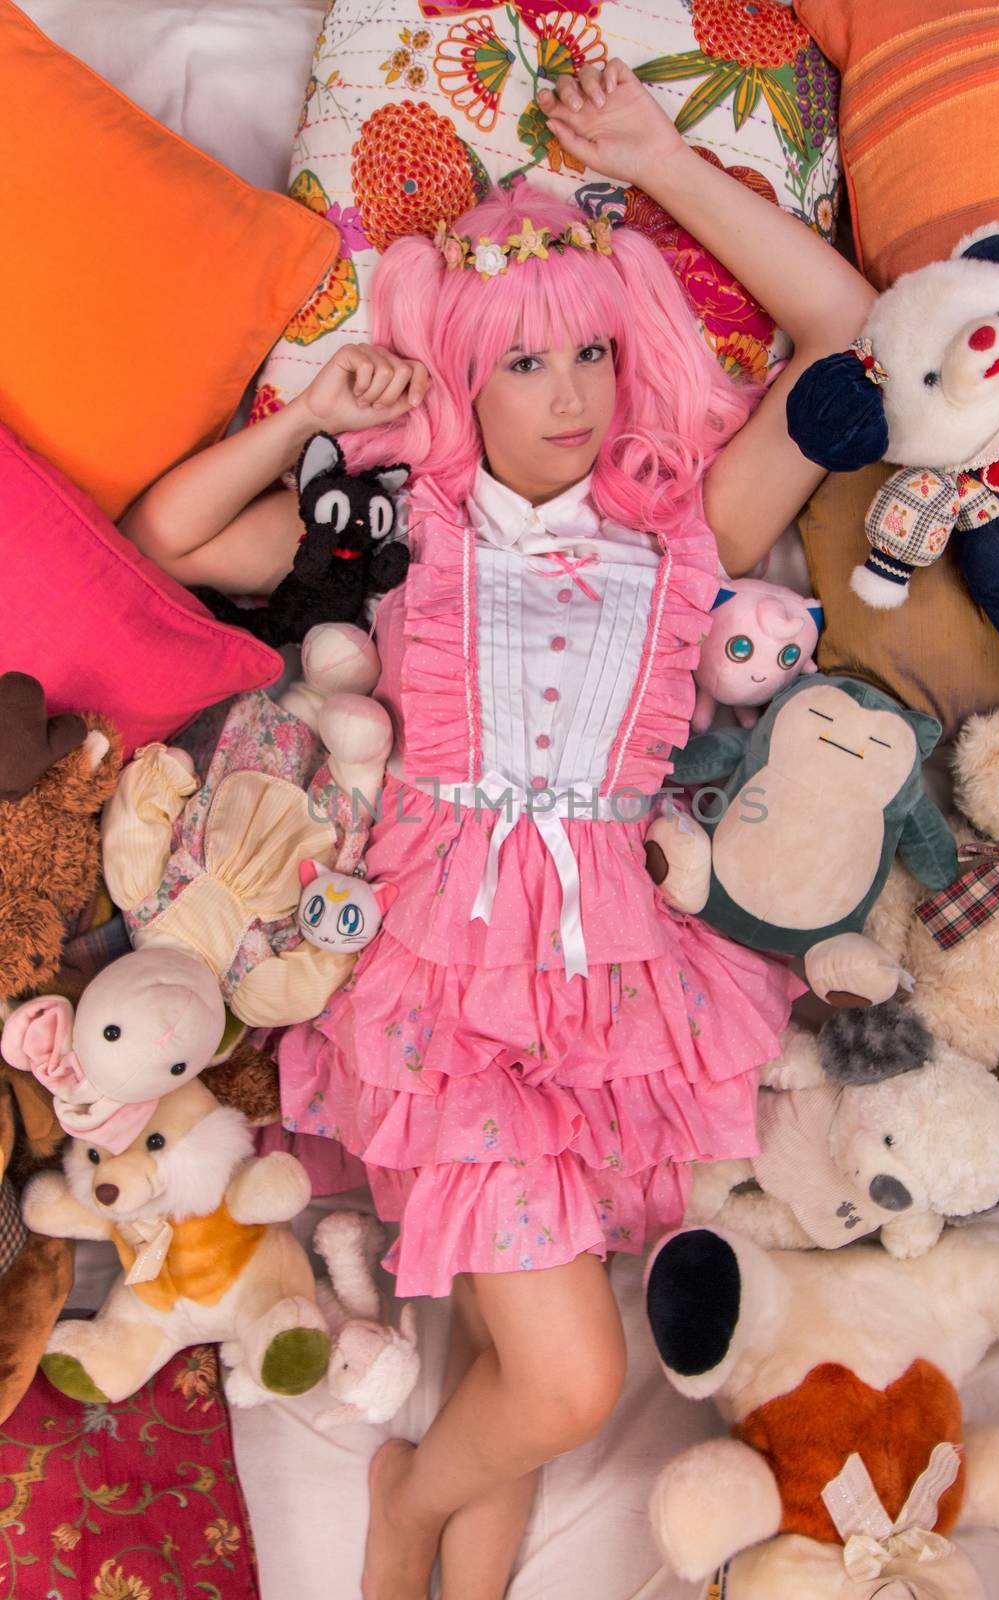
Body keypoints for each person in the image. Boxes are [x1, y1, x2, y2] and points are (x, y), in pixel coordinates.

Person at [122, 59, 875, 1600]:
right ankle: (401, 1505)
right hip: (440, 984)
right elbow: (166, 539)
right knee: (569, 1384)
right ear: (460, 372)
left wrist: (663, 157)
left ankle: (441, 1551)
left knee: (533, 1357)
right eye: (526, 364)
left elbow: (852, 340)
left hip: (616, 989)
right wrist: (317, 417)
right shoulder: (401, 533)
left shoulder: (682, 538)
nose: (575, 396)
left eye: (594, 351)